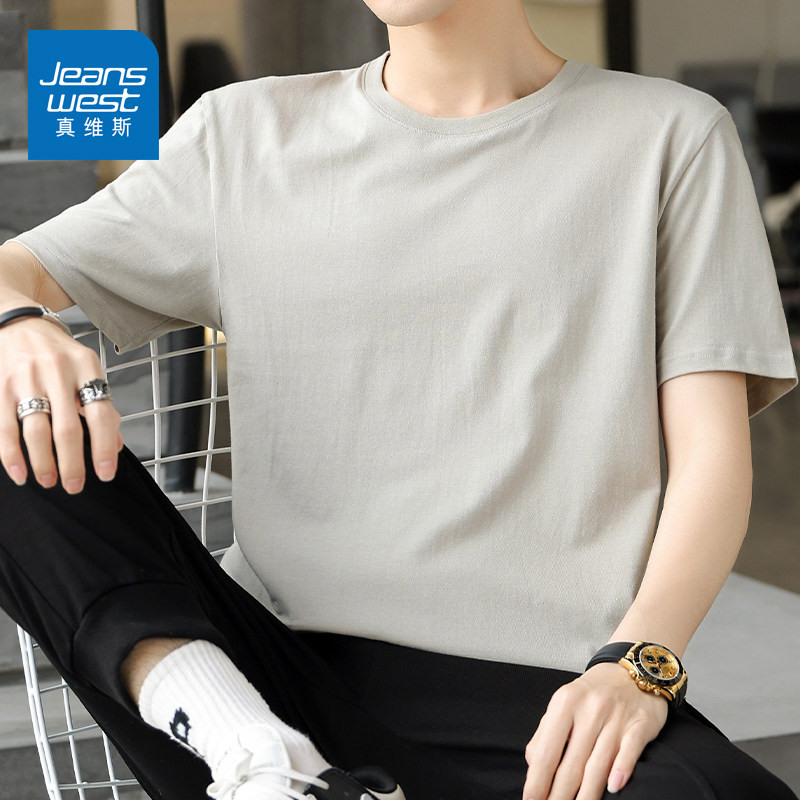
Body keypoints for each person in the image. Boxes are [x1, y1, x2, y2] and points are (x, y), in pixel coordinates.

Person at [0, 1, 798, 799]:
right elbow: (16, 269)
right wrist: (17, 323)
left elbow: (710, 456)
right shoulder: (241, 134)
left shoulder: (671, 137)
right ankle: (261, 760)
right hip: (260, 680)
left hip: (545, 702)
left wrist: (639, 667)